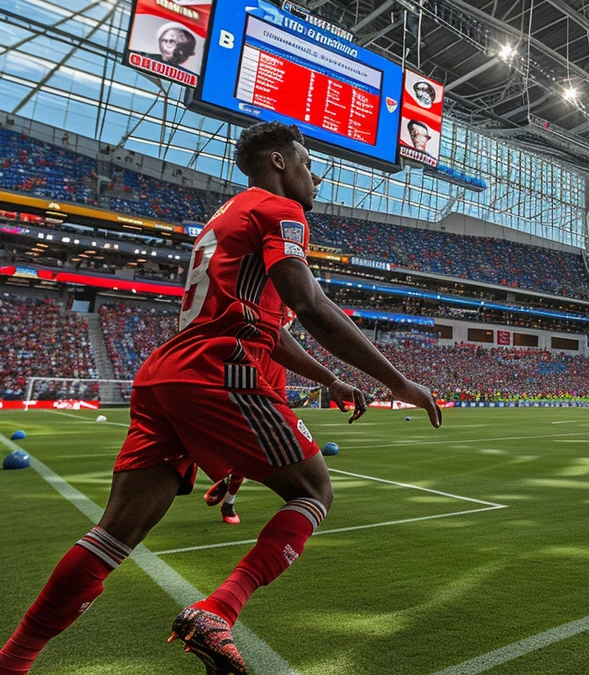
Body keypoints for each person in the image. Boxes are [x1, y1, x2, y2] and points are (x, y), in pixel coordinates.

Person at [0, 122, 442, 675]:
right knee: (313, 490)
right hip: (219, 371)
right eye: (308, 166)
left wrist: (328, 380)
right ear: (279, 162)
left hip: (168, 373)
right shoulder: (281, 212)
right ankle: (218, 609)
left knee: (114, 533)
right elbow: (309, 305)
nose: (316, 179)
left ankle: (14, 660)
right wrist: (397, 381)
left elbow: (272, 329)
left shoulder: (226, 216)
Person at [205, 330, 368, 525]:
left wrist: (332, 381)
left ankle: (229, 500)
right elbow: (312, 309)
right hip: (244, 364)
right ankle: (225, 477)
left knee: (259, 441)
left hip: (273, 370)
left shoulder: (282, 317)